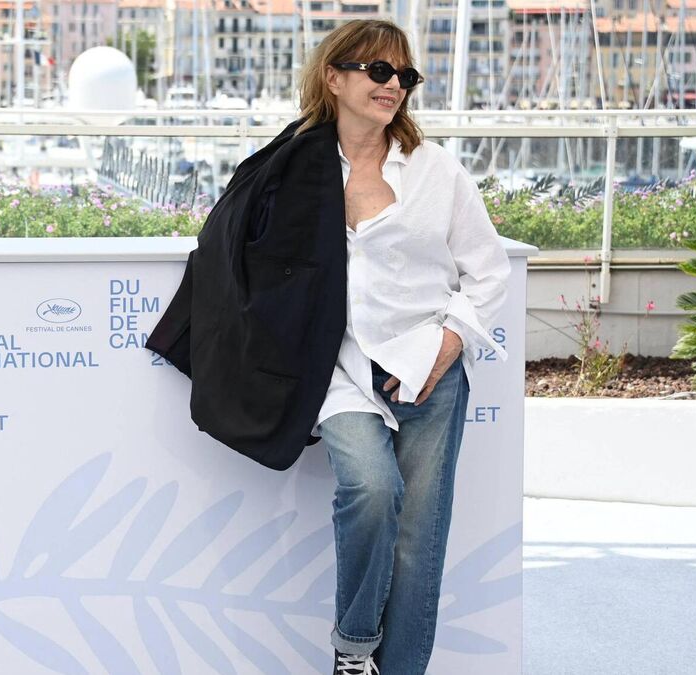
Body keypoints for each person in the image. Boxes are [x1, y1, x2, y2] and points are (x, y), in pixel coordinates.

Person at [295, 19, 511, 675]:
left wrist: (449, 343)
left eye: (404, 75)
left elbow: (488, 271)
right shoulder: (295, 167)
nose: (394, 85)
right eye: (378, 71)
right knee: (370, 488)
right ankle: (355, 649)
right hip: (339, 369)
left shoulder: (436, 170)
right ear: (334, 77)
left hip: (428, 368)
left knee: (419, 539)